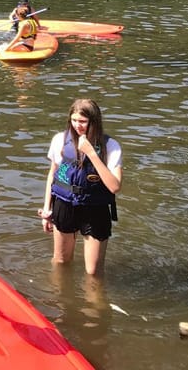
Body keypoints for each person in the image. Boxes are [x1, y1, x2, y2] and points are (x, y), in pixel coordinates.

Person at [39, 99, 122, 276]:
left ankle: (94, 303)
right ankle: (60, 300)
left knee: (93, 272)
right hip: (65, 203)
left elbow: (114, 186)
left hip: (95, 208)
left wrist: (91, 153)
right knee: (61, 261)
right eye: (74, 120)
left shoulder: (111, 146)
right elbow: (52, 175)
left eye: (83, 121)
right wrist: (47, 210)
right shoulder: (60, 140)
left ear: (94, 121)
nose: (78, 125)